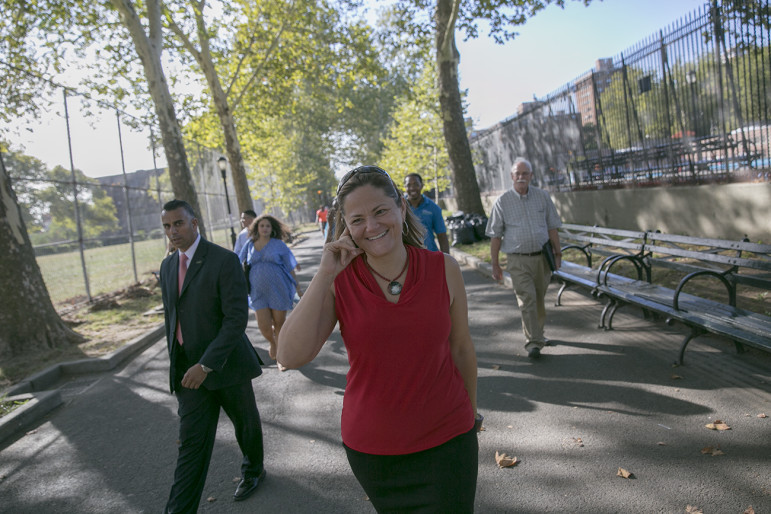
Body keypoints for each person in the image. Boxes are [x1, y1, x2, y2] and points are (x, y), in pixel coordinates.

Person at [278, 165, 480, 513]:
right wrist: (325, 273)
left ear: (401, 207)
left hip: (450, 441)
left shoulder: (444, 268)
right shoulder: (339, 281)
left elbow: (461, 348)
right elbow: (289, 355)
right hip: (375, 454)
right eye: (357, 220)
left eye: (380, 211)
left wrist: (470, 415)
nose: (370, 227)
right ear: (345, 226)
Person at [159, 199, 266, 512]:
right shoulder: (167, 267)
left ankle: (254, 470)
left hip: (227, 365)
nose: (172, 231)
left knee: (246, 426)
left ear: (194, 223)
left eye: (178, 223)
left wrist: (206, 364)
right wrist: (179, 366)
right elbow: (172, 319)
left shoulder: (223, 259)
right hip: (187, 375)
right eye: (167, 226)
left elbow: (235, 319)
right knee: (191, 447)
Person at [485, 158, 562, 359]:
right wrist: (495, 263)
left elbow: (552, 226)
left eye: (525, 173)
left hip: (542, 258)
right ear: (511, 176)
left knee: (538, 298)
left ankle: (538, 333)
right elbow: (495, 235)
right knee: (527, 298)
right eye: (517, 174)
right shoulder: (502, 201)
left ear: (531, 176)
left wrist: (558, 253)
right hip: (517, 260)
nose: (521, 177)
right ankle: (533, 342)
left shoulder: (542, 197)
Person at [238, 214, 302, 363]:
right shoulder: (249, 244)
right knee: (264, 325)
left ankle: (281, 356)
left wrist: (298, 288)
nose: (265, 228)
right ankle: (272, 342)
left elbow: (289, 266)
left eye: (268, 226)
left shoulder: (278, 244)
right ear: (257, 228)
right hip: (257, 291)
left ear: (272, 229)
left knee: (279, 323)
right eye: (262, 226)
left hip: (278, 288)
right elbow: (237, 260)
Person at [404, 173, 450, 253]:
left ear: (421, 185)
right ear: (405, 187)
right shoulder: (398, 207)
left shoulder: (433, 208)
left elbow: (442, 236)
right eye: (409, 185)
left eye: (416, 184)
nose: (412, 188)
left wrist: (446, 261)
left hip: (429, 255)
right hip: (407, 257)